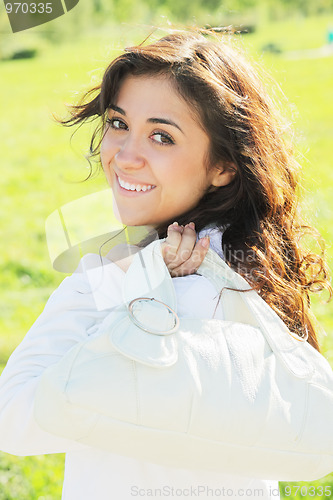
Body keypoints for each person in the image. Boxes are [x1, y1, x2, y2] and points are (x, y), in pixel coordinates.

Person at [0, 29, 331, 500]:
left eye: (161, 136)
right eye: (118, 124)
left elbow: (15, 417)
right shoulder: (250, 268)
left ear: (224, 166)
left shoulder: (181, 286)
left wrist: (107, 277)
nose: (124, 156)